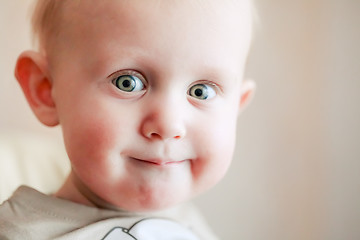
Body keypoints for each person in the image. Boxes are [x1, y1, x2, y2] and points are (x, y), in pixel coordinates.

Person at [0, 0, 255, 239]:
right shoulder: (23, 232)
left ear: (236, 107)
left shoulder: (193, 226)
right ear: (46, 91)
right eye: (128, 83)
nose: (169, 125)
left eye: (202, 91)